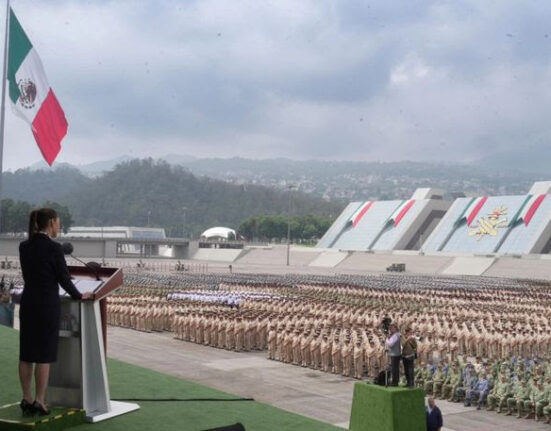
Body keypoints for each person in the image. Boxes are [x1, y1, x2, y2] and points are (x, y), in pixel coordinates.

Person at [18, 208, 93, 416]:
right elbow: (64, 279)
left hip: (28, 303)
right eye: (58, 222)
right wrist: (80, 295)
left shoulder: (24, 246)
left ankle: (26, 398)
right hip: (46, 305)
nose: (59, 226)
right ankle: (40, 401)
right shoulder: (54, 248)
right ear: (51, 222)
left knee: (26, 354)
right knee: (43, 355)